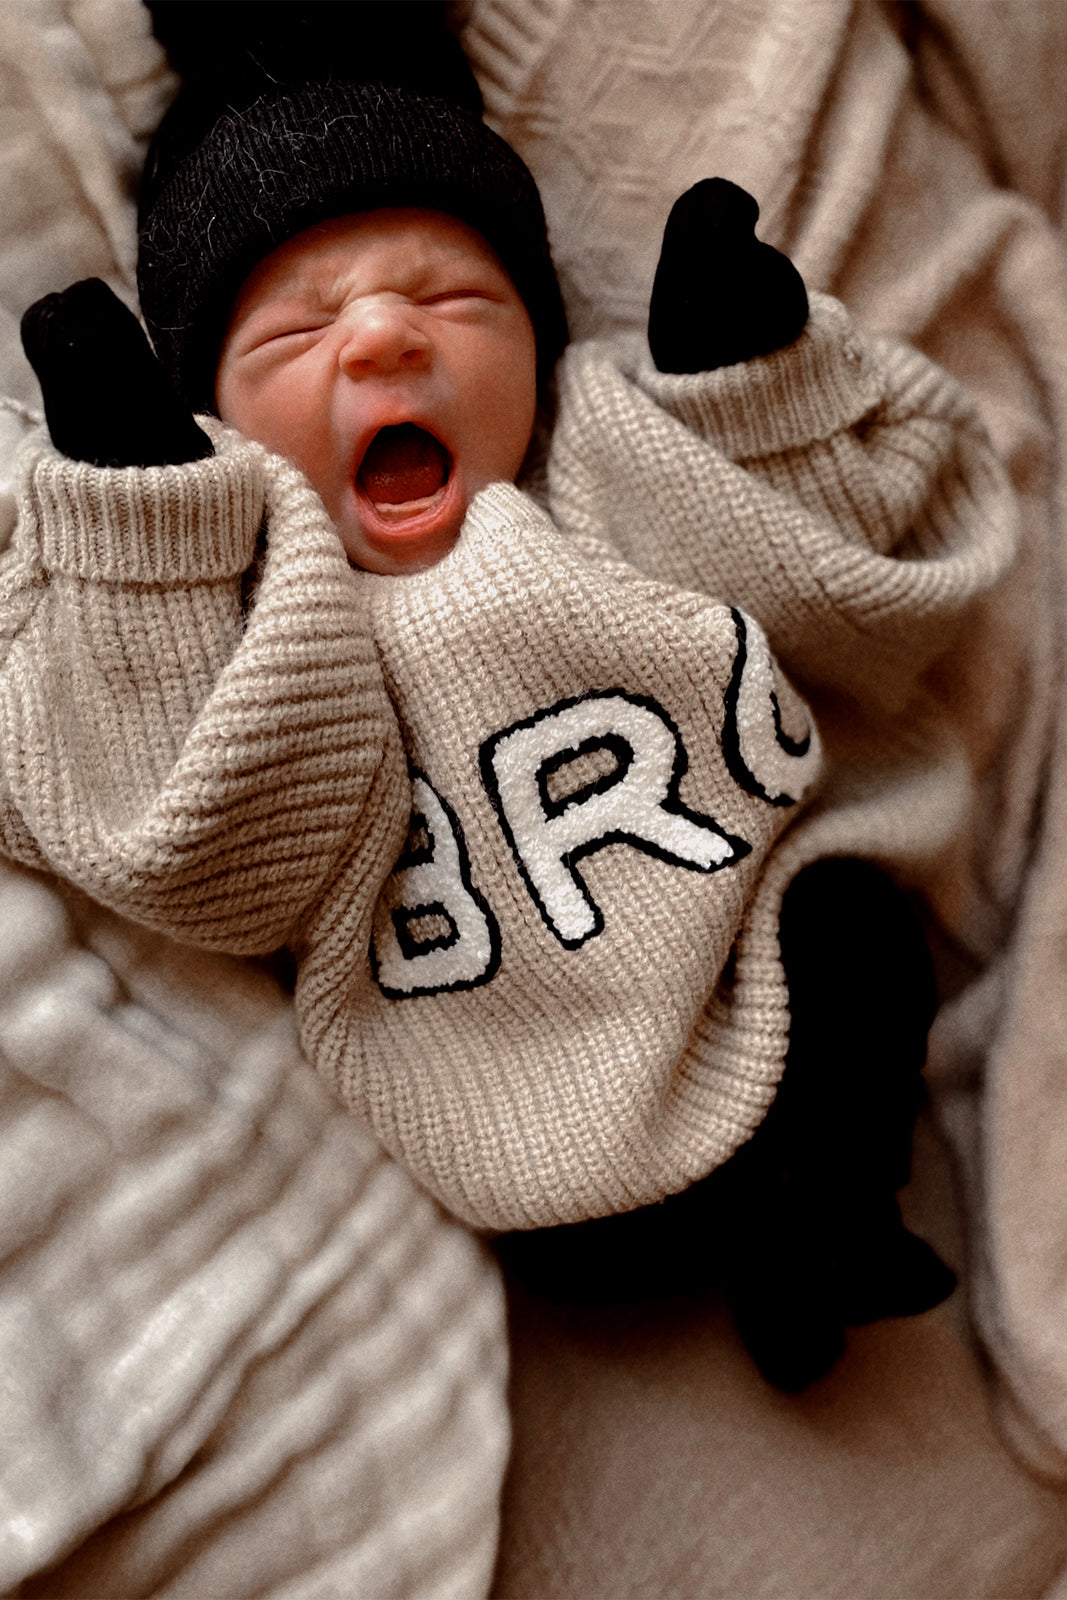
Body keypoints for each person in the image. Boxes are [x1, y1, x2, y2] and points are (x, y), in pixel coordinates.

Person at [3, 2, 1015, 1387]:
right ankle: (780, 1242)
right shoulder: (260, 618)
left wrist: (749, 386)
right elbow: (193, 843)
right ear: (215, 428)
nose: (378, 341)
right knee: (605, 1259)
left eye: (452, 300)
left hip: (753, 965)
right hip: (507, 1115)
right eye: (294, 336)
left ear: (537, 350)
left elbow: (823, 593)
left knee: (857, 934)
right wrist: (149, 532)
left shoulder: (598, 465)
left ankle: (830, 1224)